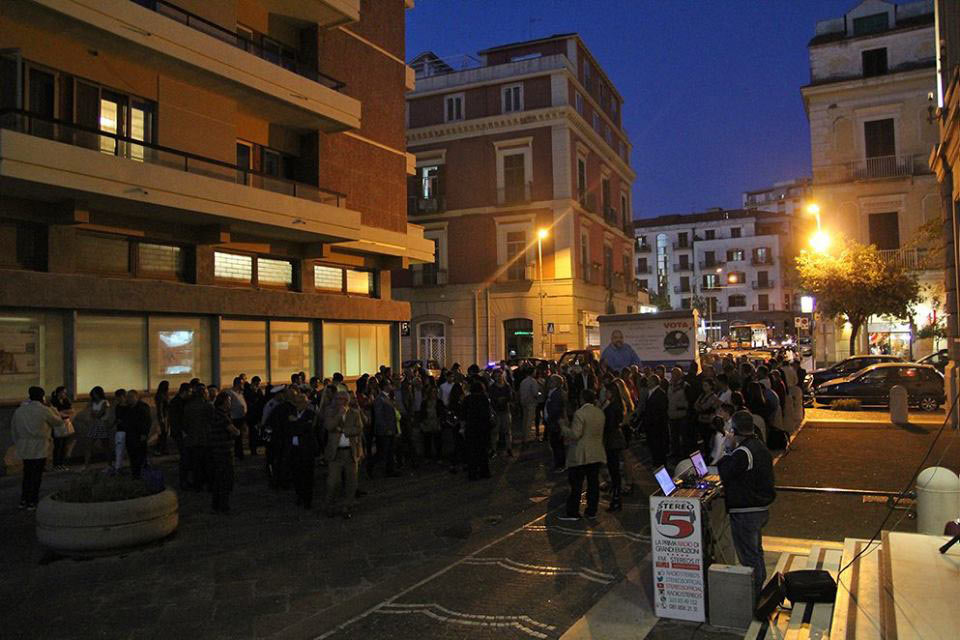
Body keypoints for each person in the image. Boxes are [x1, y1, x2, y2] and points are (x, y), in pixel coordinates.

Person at [718, 410, 776, 596]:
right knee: (756, 551)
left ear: (735, 431)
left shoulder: (743, 452)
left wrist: (727, 449)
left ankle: (754, 594)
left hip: (746, 510)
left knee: (748, 555)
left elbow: (725, 472)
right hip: (760, 509)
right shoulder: (758, 445)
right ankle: (760, 585)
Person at [11, 386, 63, 510]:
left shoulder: (20, 410)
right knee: (37, 474)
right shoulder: (44, 410)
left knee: (27, 473)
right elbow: (58, 422)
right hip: (40, 446)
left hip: (25, 446)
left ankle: (24, 499)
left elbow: (14, 429)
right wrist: (53, 408)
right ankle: (33, 500)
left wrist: (18, 442)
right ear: (42, 397)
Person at [559, 389, 607, 521]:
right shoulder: (600, 412)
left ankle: (573, 511)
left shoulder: (580, 413)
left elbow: (575, 434)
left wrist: (563, 427)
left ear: (582, 399)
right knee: (593, 483)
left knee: (576, 484)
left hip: (581, 453)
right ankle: (592, 510)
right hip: (596, 451)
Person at [324, 391, 364, 518]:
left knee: (351, 481)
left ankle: (347, 506)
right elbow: (328, 426)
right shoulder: (330, 412)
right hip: (336, 453)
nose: (339, 401)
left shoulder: (354, 413)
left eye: (342, 399)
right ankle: (330, 506)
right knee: (333, 482)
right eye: (337, 399)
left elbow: (359, 429)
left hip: (350, 452)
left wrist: (344, 430)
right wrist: (338, 416)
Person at [287, 391, 320, 509]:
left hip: (306, 450)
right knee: (296, 474)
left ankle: (307, 499)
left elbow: (306, 429)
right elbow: (290, 430)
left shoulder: (310, 414)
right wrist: (298, 424)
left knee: (307, 476)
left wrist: (295, 422)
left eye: (301, 402)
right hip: (295, 449)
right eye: (297, 402)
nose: (299, 404)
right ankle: (299, 495)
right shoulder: (291, 413)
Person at [208, 392, 239, 513]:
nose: (230, 403)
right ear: (224, 402)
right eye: (229, 401)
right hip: (223, 451)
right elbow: (234, 431)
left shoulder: (215, 414)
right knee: (225, 479)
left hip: (216, 450)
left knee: (218, 479)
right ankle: (223, 506)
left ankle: (216, 504)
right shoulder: (222, 416)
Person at [602, 381, 628, 512]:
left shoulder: (612, 407)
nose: (605, 393)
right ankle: (616, 497)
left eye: (607, 391)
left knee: (614, 470)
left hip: (612, 440)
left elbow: (610, 424)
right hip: (615, 439)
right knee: (615, 470)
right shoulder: (616, 405)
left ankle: (616, 498)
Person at [462, 382, 493, 481]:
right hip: (482, 427)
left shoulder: (467, 399)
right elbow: (487, 413)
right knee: (482, 451)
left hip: (471, 427)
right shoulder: (483, 399)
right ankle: (484, 471)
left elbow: (463, 413)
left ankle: (473, 473)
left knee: (472, 452)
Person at [119, 390, 152, 478]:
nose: (128, 399)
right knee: (132, 455)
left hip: (139, 435)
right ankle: (135, 473)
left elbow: (147, 421)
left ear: (136, 397)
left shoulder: (142, 408)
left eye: (130, 397)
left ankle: (141, 473)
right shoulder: (128, 408)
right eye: (127, 397)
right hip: (130, 435)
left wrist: (144, 433)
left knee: (140, 455)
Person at [371, 384, 400, 478]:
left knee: (390, 450)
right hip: (384, 429)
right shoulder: (380, 399)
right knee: (383, 450)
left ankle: (390, 469)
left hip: (391, 427)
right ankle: (372, 467)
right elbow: (379, 416)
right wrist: (385, 428)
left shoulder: (389, 397)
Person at [82, 386, 112, 471]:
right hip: (94, 424)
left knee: (105, 445)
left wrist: (95, 413)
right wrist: (94, 414)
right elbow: (91, 413)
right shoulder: (93, 402)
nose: (94, 396)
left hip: (102, 424)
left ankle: (109, 464)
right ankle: (86, 465)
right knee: (88, 444)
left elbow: (99, 414)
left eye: (95, 394)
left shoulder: (104, 402)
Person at [543, 374, 568, 472]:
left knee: (557, 444)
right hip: (553, 422)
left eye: (552, 381)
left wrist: (550, 418)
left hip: (555, 423)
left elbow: (556, 409)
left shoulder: (557, 394)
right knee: (555, 443)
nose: (550, 383)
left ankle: (560, 464)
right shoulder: (552, 392)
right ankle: (558, 462)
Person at [645, 375, 669, 466]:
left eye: (649, 381)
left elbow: (661, 411)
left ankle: (660, 464)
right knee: (654, 447)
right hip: (652, 426)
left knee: (658, 447)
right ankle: (656, 463)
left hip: (657, 426)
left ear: (654, 382)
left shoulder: (660, 394)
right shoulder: (651, 393)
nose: (647, 382)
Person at [488, 370, 514, 456]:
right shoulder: (492, 387)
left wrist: (504, 399)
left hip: (505, 410)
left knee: (507, 431)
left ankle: (509, 448)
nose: (498, 377)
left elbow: (510, 397)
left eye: (500, 375)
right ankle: (494, 449)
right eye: (497, 376)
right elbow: (491, 398)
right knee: (495, 431)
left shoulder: (507, 386)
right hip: (496, 411)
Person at [50, 386, 73, 471]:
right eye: (63, 392)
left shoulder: (66, 400)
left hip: (65, 423)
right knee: (58, 445)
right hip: (57, 424)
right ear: (59, 392)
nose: (65, 394)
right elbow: (54, 413)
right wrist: (63, 412)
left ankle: (62, 463)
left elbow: (71, 410)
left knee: (64, 444)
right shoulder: (54, 401)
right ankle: (56, 464)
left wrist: (62, 412)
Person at [225, 377, 248, 460]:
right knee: (236, 437)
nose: (243, 385)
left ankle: (239, 453)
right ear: (238, 384)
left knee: (240, 437)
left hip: (241, 417)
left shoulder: (240, 393)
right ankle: (237, 454)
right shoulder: (231, 393)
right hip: (234, 417)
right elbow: (228, 405)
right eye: (242, 383)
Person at [518, 368, 542, 444]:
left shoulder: (523, 381)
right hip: (531, 402)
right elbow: (535, 393)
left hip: (523, 402)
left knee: (525, 420)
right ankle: (527, 438)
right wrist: (539, 394)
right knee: (529, 420)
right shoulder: (533, 381)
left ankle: (524, 436)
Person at [153, 381, 171, 456]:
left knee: (164, 434)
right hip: (164, 417)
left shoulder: (161, 395)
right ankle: (161, 449)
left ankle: (163, 449)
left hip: (164, 416)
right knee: (163, 434)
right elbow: (160, 408)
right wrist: (162, 418)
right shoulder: (162, 396)